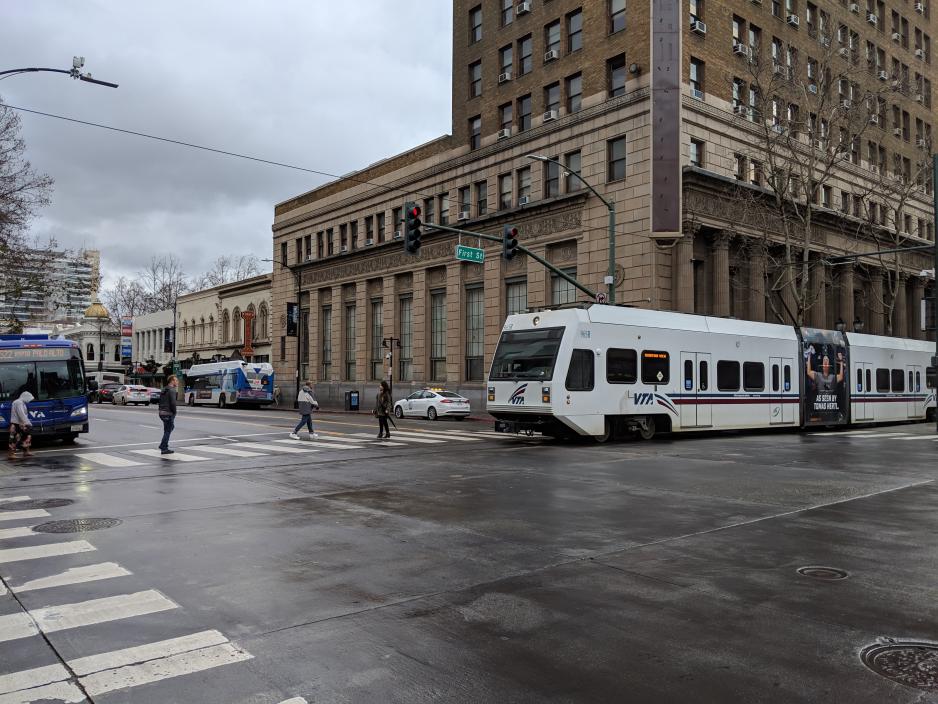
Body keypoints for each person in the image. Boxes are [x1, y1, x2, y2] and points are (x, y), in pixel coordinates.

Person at [8, 391, 34, 459]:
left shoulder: (21, 402)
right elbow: (21, 414)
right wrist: (27, 422)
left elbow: (23, 414)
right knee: (14, 438)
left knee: (26, 436)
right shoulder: (18, 402)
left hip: (21, 423)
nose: (29, 400)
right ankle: (11, 454)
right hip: (16, 423)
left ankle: (26, 452)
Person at [158, 375, 179, 455]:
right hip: (168, 413)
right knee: (168, 430)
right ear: (172, 381)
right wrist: (175, 412)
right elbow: (173, 403)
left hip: (162, 413)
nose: (177, 382)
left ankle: (163, 445)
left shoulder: (164, 389)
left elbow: (160, 401)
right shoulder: (172, 390)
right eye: (176, 380)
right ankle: (163, 447)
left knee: (168, 429)